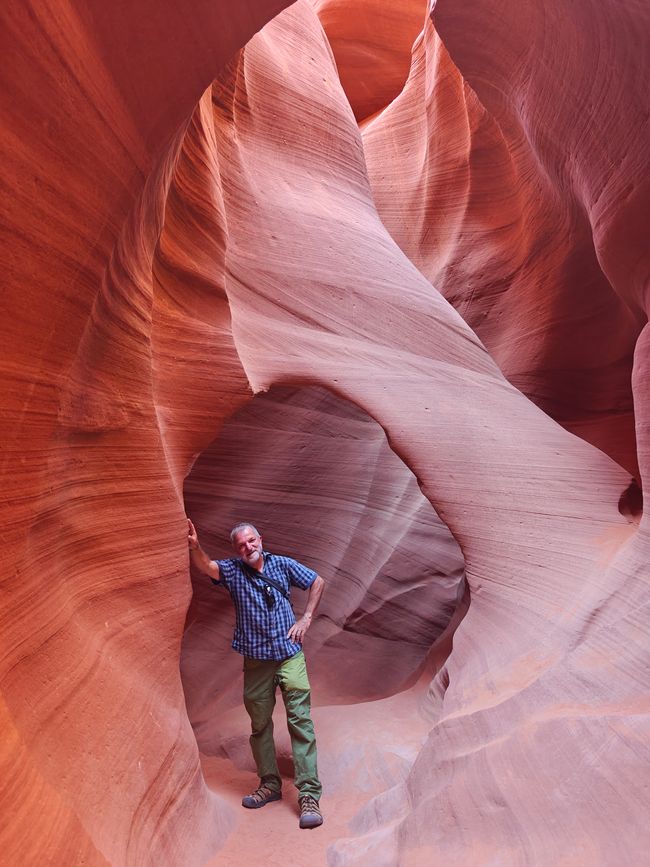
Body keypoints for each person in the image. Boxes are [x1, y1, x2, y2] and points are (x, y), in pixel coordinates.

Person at [187, 518, 325, 829]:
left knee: (300, 722)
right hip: (257, 662)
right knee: (260, 725)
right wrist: (195, 548)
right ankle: (270, 785)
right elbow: (208, 566)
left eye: (251, 541)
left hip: (290, 656)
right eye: (241, 544)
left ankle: (309, 795)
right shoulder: (234, 571)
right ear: (235, 549)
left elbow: (317, 581)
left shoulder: (282, 565)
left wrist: (307, 618)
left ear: (260, 539)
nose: (248, 547)